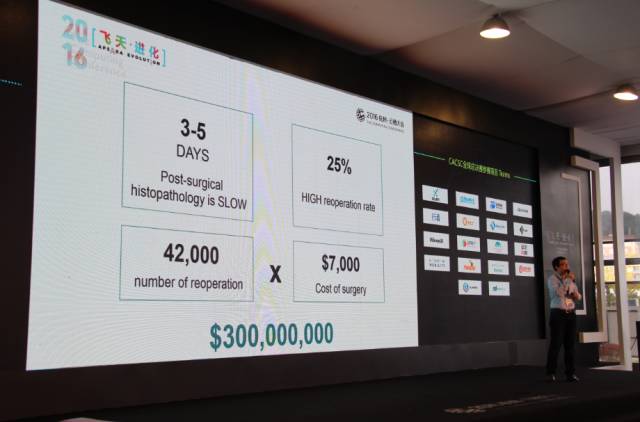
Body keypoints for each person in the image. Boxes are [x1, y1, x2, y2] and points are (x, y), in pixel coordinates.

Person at [545, 256, 582, 382]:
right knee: (556, 344)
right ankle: (550, 373)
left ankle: (570, 374)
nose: (567, 266)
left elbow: (578, 296)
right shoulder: (552, 279)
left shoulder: (570, 280)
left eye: (567, 264)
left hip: (571, 314)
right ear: (556, 267)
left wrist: (575, 294)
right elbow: (559, 293)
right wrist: (567, 281)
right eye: (563, 264)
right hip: (558, 314)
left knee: (570, 345)